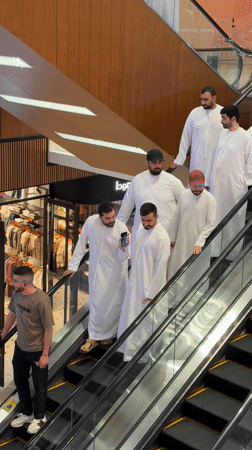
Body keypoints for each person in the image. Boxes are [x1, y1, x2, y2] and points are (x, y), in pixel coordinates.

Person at [64, 202, 130, 353]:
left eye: (113, 216)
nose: (111, 220)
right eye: (107, 218)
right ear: (100, 217)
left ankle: (111, 335)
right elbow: (81, 244)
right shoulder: (91, 222)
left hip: (117, 276)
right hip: (97, 274)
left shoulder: (122, 229)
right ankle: (93, 337)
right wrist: (73, 266)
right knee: (97, 304)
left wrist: (123, 247)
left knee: (115, 305)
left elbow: (125, 256)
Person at [1, 266, 54, 434]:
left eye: (15, 280)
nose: (12, 282)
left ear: (25, 282)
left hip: (37, 351)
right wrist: (2, 336)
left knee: (40, 386)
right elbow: (11, 315)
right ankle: (27, 413)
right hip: (20, 348)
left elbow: (48, 329)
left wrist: (45, 354)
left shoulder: (41, 299)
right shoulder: (17, 294)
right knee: (20, 381)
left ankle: (40, 418)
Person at [117, 203, 170, 362]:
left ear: (156, 217)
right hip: (135, 281)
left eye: (149, 221)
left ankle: (145, 355)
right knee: (132, 316)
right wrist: (124, 244)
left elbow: (161, 267)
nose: (146, 224)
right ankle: (129, 348)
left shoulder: (162, 237)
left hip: (149, 287)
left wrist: (152, 294)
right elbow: (132, 253)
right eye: (143, 220)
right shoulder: (140, 228)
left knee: (148, 321)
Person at [205, 105, 252, 257]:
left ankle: (231, 254)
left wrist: (242, 182)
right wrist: (207, 180)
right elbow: (212, 157)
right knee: (215, 217)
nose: (221, 121)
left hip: (234, 188)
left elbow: (250, 162)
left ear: (233, 119)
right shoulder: (222, 134)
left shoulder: (245, 137)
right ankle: (214, 252)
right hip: (216, 185)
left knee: (233, 221)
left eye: (224, 118)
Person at [117, 149, 184, 247]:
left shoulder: (173, 182)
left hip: (166, 237)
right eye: (154, 162)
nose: (157, 165)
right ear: (147, 163)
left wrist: (177, 234)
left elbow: (186, 205)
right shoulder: (137, 181)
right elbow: (124, 211)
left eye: (160, 162)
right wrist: (116, 233)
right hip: (141, 237)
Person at [169, 170, 216, 280]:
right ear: (189, 184)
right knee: (177, 268)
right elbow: (176, 217)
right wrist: (172, 237)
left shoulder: (210, 199)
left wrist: (199, 242)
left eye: (200, 186)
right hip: (181, 240)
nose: (197, 189)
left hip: (197, 243)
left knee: (195, 273)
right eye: (194, 186)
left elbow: (210, 224)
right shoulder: (184, 195)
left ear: (204, 183)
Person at [169, 87, 223, 174]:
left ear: (214, 98)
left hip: (216, 161)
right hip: (197, 161)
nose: (203, 102)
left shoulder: (223, 113)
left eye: (206, 99)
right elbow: (186, 137)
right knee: (195, 186)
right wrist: (180, 159)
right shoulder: (194, 113)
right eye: (201, 99)